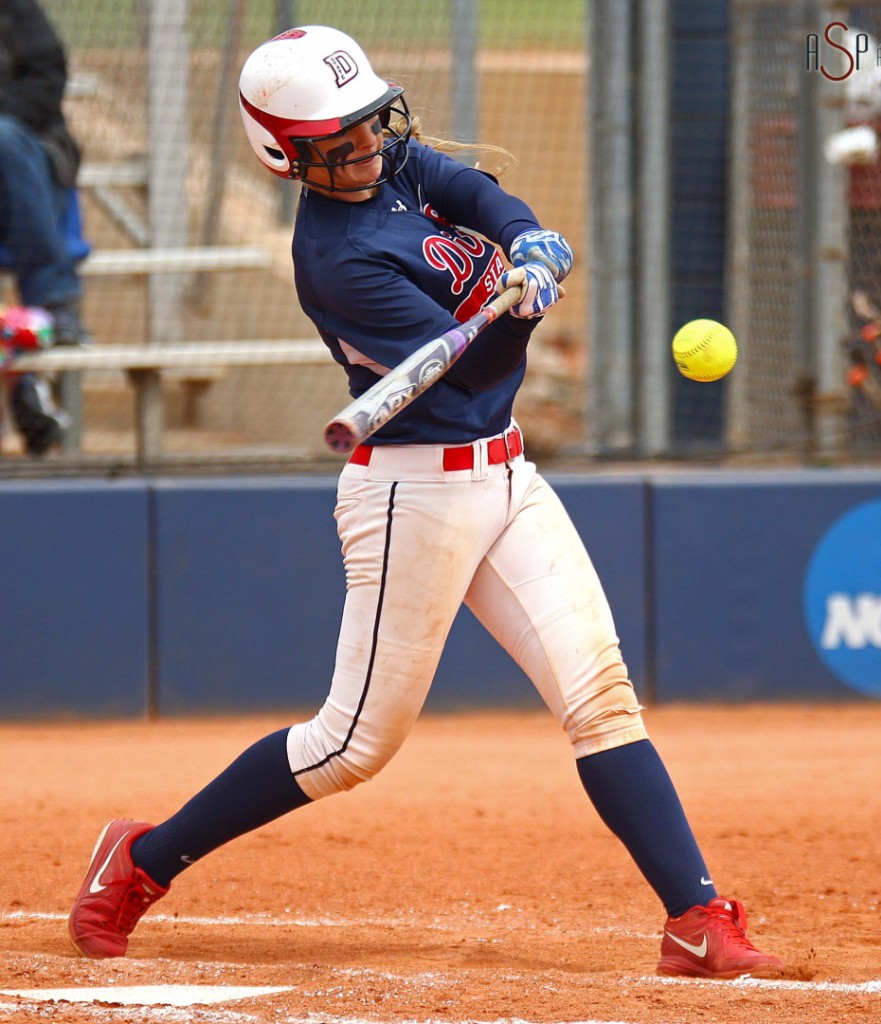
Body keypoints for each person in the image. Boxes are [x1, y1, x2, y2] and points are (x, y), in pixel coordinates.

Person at [67, 25, 783, 980]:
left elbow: (469, 190)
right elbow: (460, 376)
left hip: (506, 475)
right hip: (414, 492)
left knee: (600, 697)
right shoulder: (338, 261)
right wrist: (518, 312)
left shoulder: (386, 162)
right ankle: (143, 861)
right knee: (351, 746)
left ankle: (695, 918)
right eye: (342, 139)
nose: (368, 145)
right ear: (290, 156)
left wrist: (523, 235)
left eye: (369, 123)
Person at [0, 0, 88, 454]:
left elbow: (46, 80)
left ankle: (55, 302)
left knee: (3, 140)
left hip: (25, 160)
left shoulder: (16, 11)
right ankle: (27, 393)